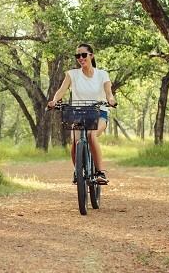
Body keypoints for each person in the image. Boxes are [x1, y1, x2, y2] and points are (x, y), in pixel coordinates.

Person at [47, 43, 117, 185]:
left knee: (91, 135)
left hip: (99, 112)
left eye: (83, 55)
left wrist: (111, 100)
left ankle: (100, 172)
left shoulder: (102, 74)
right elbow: (61, 90)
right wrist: (54, 100)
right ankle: (78, 171)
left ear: (91, 56)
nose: (80, 58)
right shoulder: (71, 74)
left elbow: (109, 92)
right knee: (75, 141)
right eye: (77, 55)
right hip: (79, 113)